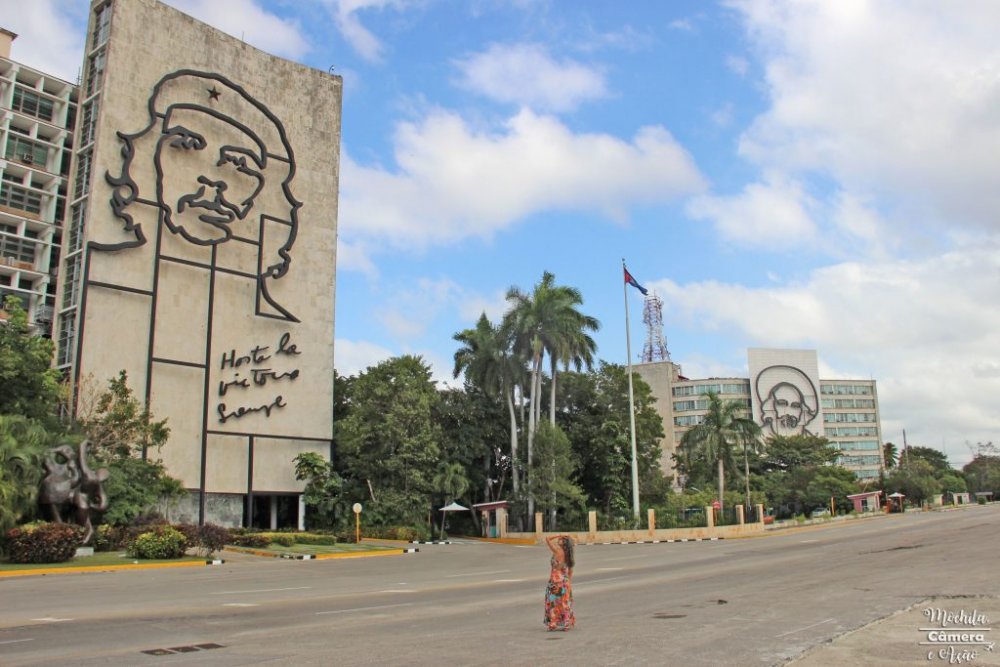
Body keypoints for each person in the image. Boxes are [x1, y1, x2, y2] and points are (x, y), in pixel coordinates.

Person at [544, 534, 575, 631]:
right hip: (565, 581)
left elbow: (547, 538)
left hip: (555, 581)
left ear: (564, 543)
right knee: (564, 603)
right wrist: (569, 584)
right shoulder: (569, 555)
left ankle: (553, 623)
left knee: (554, 603)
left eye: (561, 539)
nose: (559, 539)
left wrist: (560, 534)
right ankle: (566, 624)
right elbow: (570, 571)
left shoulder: (557, 550)